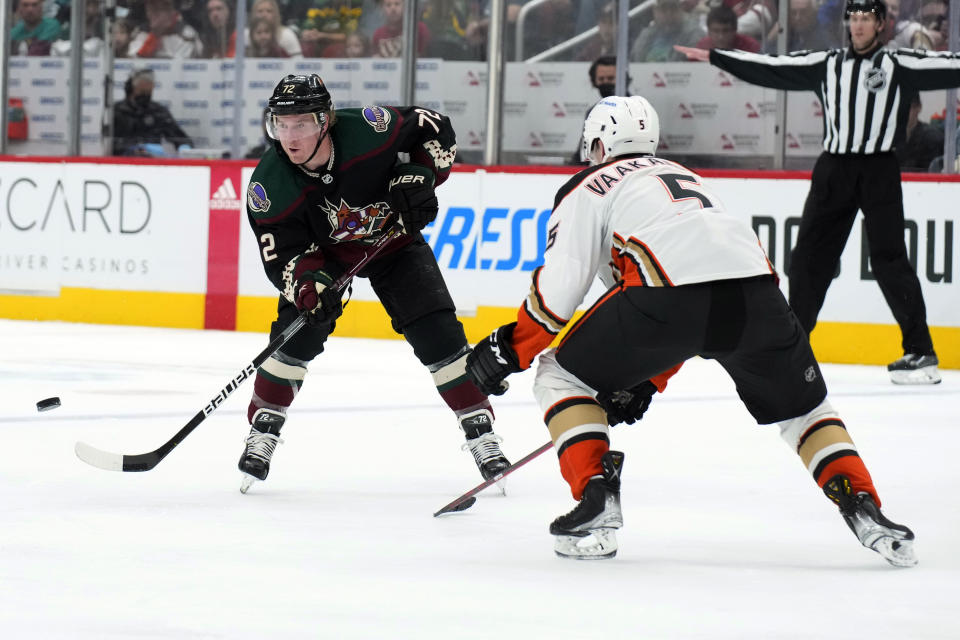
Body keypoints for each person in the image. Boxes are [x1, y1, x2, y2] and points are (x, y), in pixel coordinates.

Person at [465, 94, 918, 567]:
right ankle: (863, 504)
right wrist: (646, 378)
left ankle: (596, 496)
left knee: (559, 375)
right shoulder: (689, 178)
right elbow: (702, 294)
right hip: (759, 298)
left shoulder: (588, 186)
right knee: (805, 411)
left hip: (667, 297)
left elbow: (561, 298)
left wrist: (506, 352)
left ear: (597, 145)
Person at [238, 73, 511, 493]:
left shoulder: (371, 128)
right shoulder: (268, 185)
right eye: (281, 124)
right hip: (325, 258)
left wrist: (421, 174)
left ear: (326, 120)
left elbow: (436, 128)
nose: (290, 137)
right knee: (295, 338)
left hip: (393, 244)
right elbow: (284, 258)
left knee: (437, 332)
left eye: (303, 124)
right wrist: (310, 287)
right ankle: (264, 429)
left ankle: (481, 433)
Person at [675, 0, 960, 384]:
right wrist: (719, 58)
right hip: (834, 170)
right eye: (854, 18)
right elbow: (773, 68)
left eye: (866, 19)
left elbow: (949, 65)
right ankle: (792, 348)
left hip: (878, 169)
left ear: (880, 24)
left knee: (890, 260)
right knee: (808, 258)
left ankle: (921, 352)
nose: (858, 26)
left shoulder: (898, 63)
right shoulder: (828, 63)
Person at [112, 68, 195, 156]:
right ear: (131, 89)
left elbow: (179, 137)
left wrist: (185, 147)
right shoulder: (116, 111)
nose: (145, 95)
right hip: (122, 164)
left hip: (152, 163)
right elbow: (109, 144)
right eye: (142, 91)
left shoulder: (158, 112)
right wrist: (136, 148)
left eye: (149, 92)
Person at [629, 0, 704, 63]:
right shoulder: (646, 35)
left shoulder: (694, 34)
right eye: (664, 9)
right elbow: (634, 62)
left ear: (681, 10)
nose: (669, 14)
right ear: (655, 11)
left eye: (673, 9)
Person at [128, 0, 204, 58]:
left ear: (173, 10)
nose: (155, 12)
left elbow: (178, 67)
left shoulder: (187, 34)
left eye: (163, 7)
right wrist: (154, 36)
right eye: (151, 7)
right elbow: (134, 62)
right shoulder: (141, 32)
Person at [896, 94, 944, 171]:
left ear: (918, 107)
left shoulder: (932, 138)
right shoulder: (891, 138)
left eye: (907, 107)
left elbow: (931, 174)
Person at [695, 4, 760, 53]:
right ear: (709, 31)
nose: (721, 37)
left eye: (725, 31)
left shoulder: (749, 46)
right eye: (715, 31)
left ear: (735, 30)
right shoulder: (702, 47)